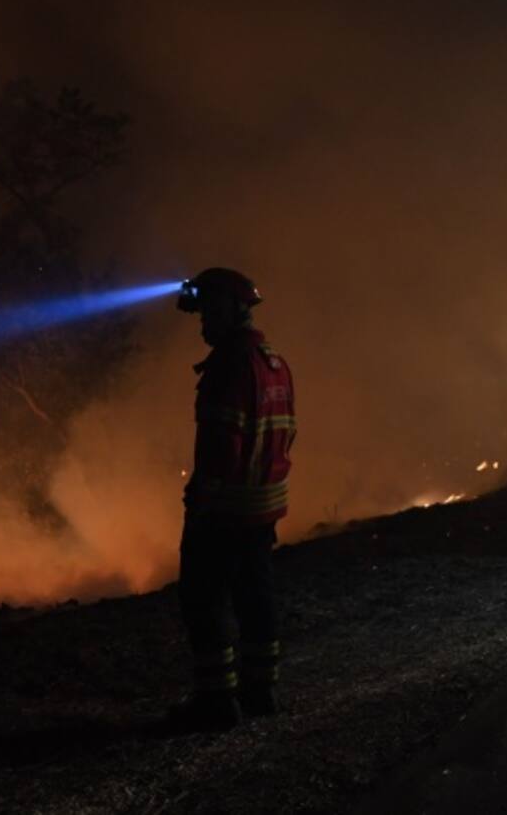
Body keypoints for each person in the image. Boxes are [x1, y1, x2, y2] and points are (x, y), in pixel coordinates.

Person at [166, 267, 297, 732]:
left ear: (227, 309)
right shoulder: (274, 362)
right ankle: (261, 690)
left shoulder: (228, 368)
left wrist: (201, 504)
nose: (203, 326)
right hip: (263, 506)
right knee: (255, 596)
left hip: (224, 511)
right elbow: (288, 436)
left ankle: (216, 700)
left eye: (207, 314)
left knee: (204, 599)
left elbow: (221, 449)